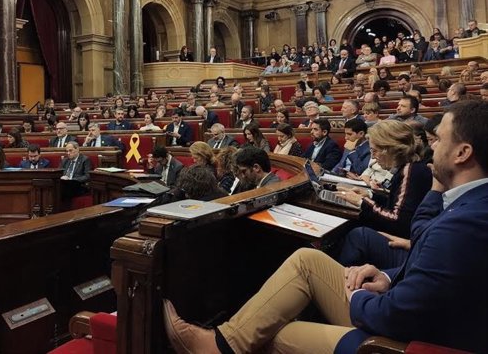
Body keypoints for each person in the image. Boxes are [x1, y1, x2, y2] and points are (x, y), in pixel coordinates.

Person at [164, 100, 488, 354]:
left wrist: (356, 295)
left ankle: (222, 346)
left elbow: (398, 315)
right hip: (406, 303)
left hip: (407, 341)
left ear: (462, 153)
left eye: (439, 140)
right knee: (307, 259)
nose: (430, 150)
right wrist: (388, 277)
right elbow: (433, 267)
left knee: (280, 334)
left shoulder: (463, 225)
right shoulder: (468, 208)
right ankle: (222, 344)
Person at [339, 120, 432, 237]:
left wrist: (361, 202)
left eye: (375, 151)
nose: (372, 156)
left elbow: (397, 221)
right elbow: (395, 203)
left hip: (401, 240)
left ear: (390, 149)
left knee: (356, 233)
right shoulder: (408, 167)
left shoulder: (411, 171)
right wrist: (370, 195)